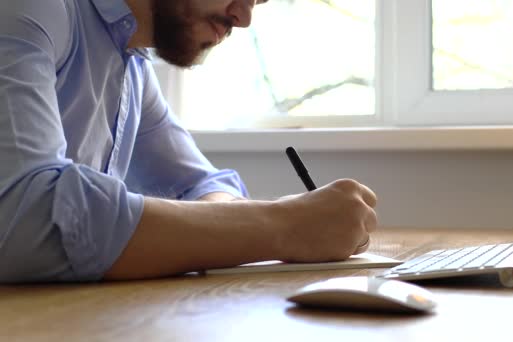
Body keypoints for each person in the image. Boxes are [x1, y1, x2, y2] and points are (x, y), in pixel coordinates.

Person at [0, 0, 377, 283]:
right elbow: (24, 214)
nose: (244, 17)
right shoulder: (31, 9)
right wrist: (285, 226)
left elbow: (202, 184)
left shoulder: (131, 67)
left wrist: (248, 223)